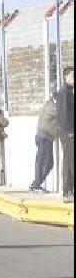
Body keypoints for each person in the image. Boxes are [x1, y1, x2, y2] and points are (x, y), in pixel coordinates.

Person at [30, 94, 58, 192]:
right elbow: (61, 113)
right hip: (44, 137)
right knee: (42, 161)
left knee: (48, 162)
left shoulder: (50, 105)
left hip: (47, 137)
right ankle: (36, 185)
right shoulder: (50, 106)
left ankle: (36, 183)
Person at [57, 66, 74, 202]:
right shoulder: (64, 92)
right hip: (68, 132)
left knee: (72, 161)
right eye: (73, 76)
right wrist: (69, 132)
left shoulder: (69, 91)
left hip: (70, 131)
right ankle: (66, 192)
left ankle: (70, 190)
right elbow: (64, 114)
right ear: (65, 77)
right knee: (68, 161)